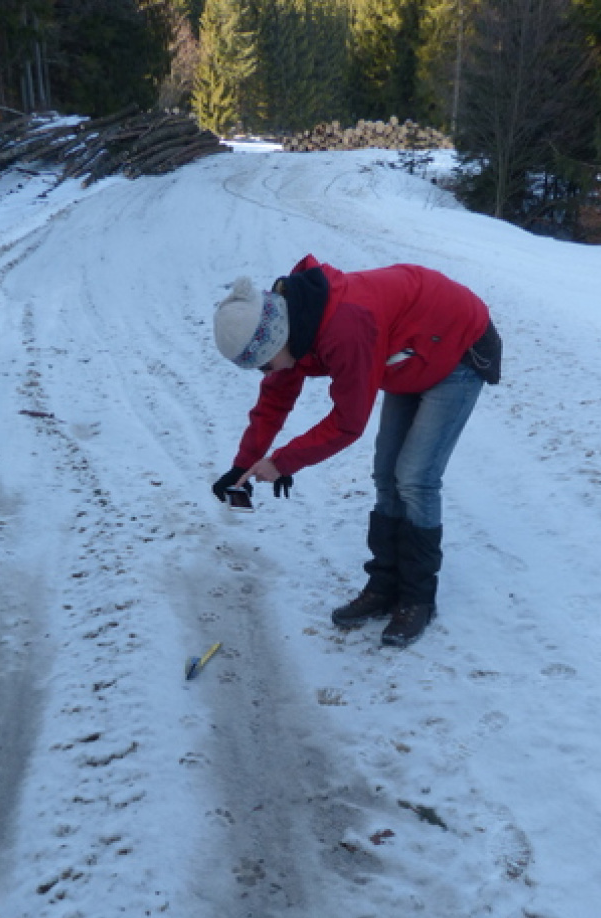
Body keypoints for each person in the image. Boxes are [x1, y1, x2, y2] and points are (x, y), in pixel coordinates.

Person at [211, 255, 501, 647]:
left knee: (415, 477)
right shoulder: (293, 324)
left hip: (456, 349)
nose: (266, 373)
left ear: (275, 339)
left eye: (264, 364)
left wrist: (282, 462)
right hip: (408, 353)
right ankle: (384, 586)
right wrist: (243, 464)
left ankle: (417, 598)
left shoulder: (345, 326)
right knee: (386, 474)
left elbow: (348, 422)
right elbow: (274, 402)